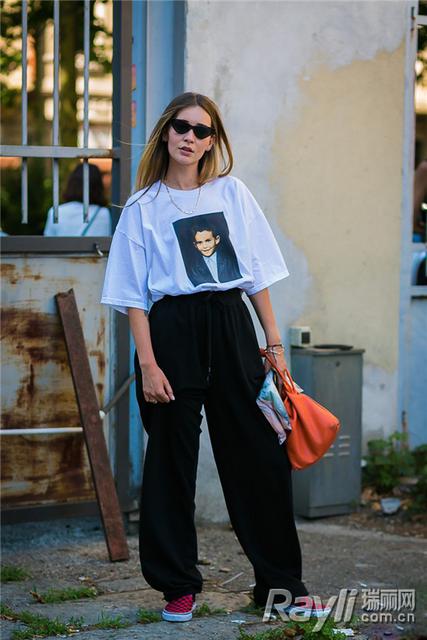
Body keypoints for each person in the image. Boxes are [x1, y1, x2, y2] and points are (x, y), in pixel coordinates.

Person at [100, 92, 320, 623]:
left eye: (202, 131)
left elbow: (256, 272)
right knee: (170, 461)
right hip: (170, 333)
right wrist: (148, 364)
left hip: (230, 326)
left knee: (260, 455)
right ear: (165, 132)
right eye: (182, 126)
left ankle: (280, 586)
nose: (190, 137)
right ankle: (178, 585)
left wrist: (273, 344)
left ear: (212, 141)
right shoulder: (142, 207)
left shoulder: (232, 193)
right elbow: (132, 296)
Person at [44, 162, 111, 236]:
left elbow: (48, 241)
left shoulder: (55, 212)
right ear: (98, 186)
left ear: (72, 184)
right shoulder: (105, 213)